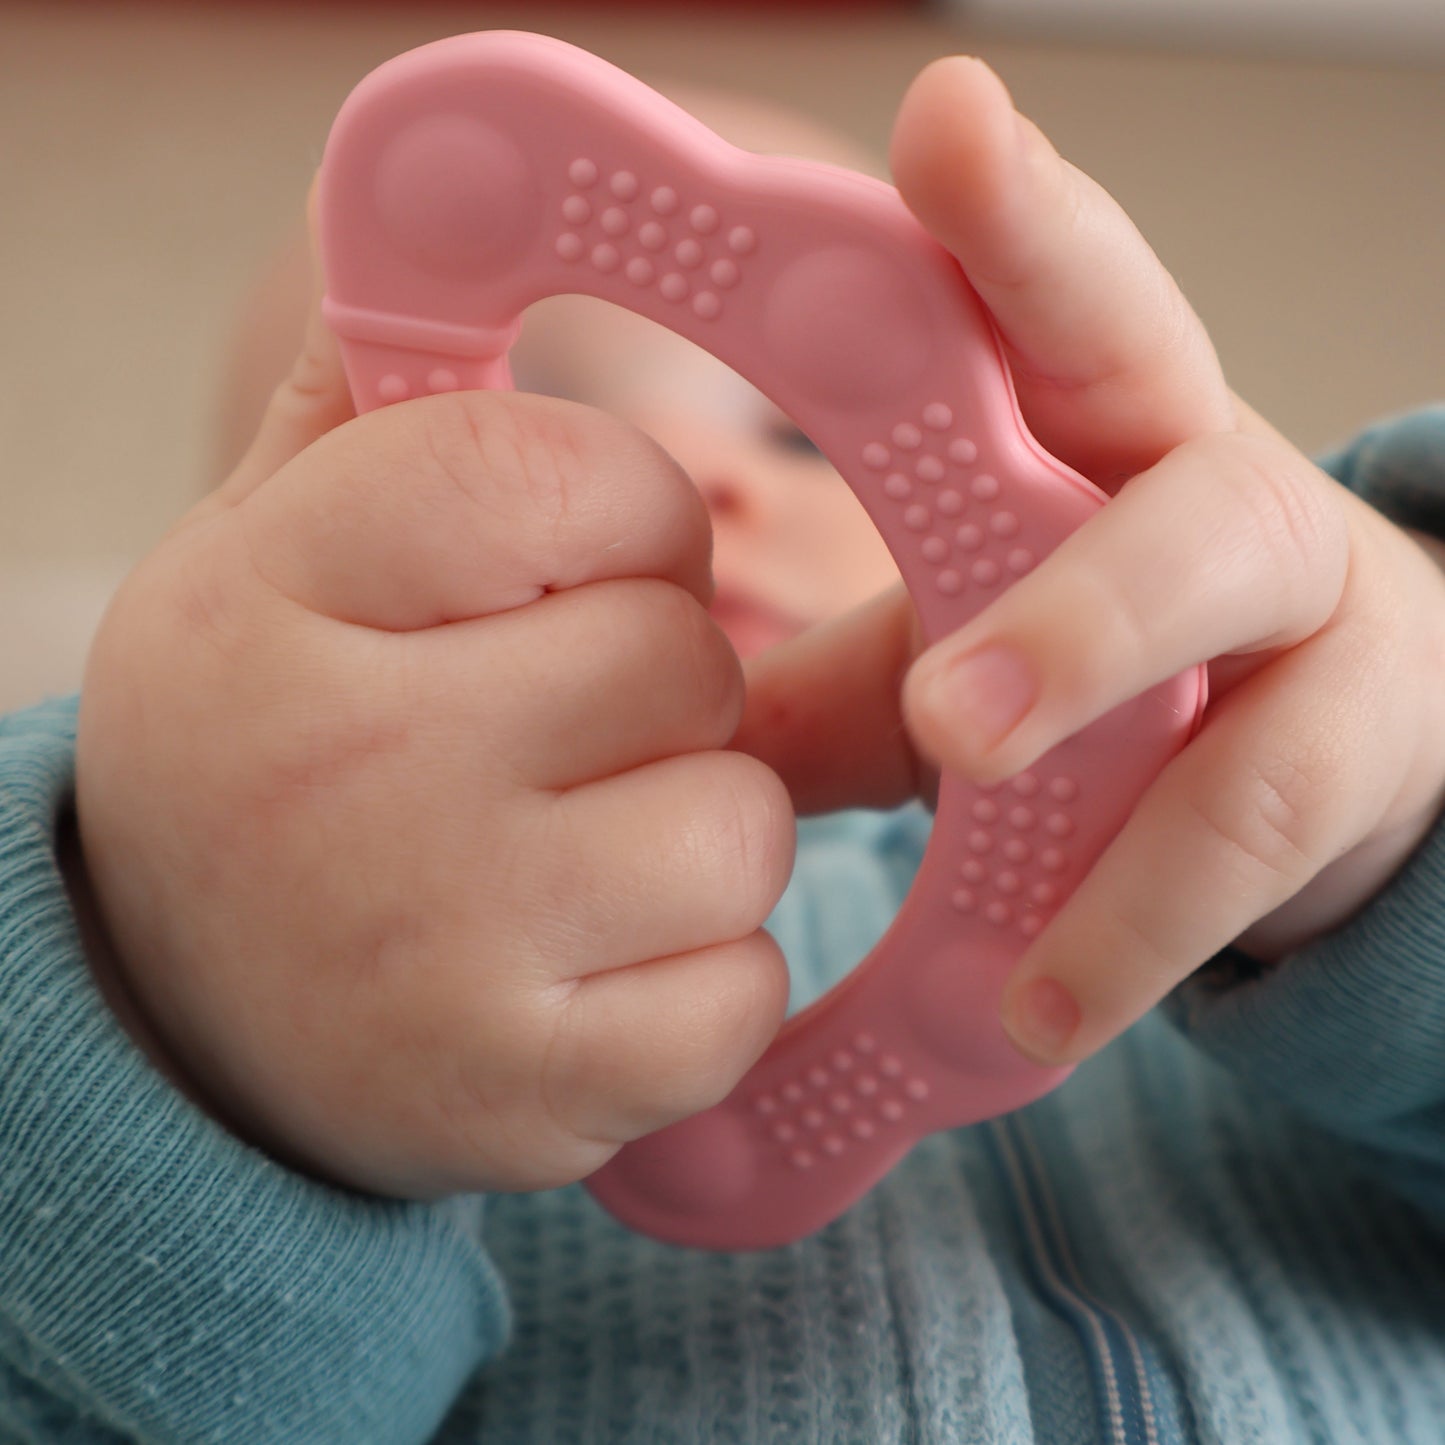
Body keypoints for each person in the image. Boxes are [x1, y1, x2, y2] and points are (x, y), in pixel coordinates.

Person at [2, 52, 1443, 1445]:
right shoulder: (345, 1010)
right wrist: (180, 1021)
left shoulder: (1213, 930)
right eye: (536, 426)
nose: (696, 481)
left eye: (803, 435)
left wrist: (1388, 845)